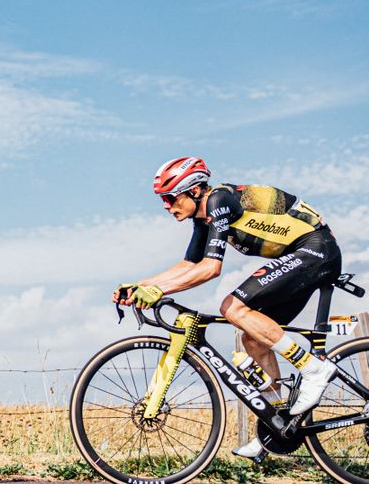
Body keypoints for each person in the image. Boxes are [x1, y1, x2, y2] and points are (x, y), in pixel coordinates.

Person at [116, 156, 342, 459]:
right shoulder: (203, 217)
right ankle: (277, 423)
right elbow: (189, 265)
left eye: (170, 198)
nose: (167, 206)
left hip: (316, 249)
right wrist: (139, 286)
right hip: (301, 255)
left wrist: (158, 290)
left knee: (232, 307)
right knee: (254, 339)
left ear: (194, 191)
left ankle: (314, 368)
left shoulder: (219, 201)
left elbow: (210, 268)